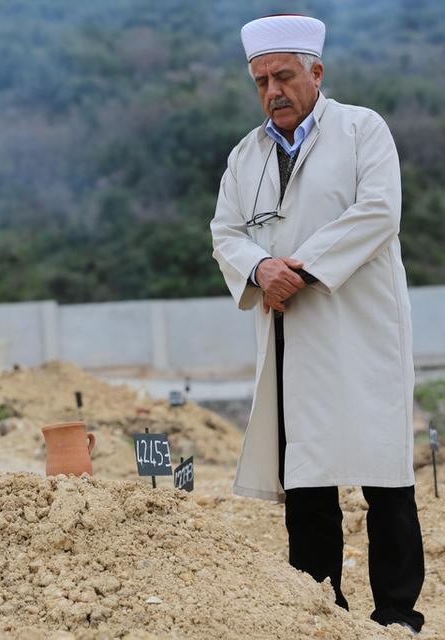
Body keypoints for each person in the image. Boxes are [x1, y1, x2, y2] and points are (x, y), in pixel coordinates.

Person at [210, 14, 424, 634]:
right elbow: (224, 232)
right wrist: (257, 268)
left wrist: (296, 270)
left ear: (316, 73)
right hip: (289, 336)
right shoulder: (245, 155)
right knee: (305, 474)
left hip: (359, 329)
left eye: (283, 76)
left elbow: (379, 211)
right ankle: (319, 611)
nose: (272, 91)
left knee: (384, 474)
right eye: (260, 81)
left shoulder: (363, 129)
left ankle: (397, 616)